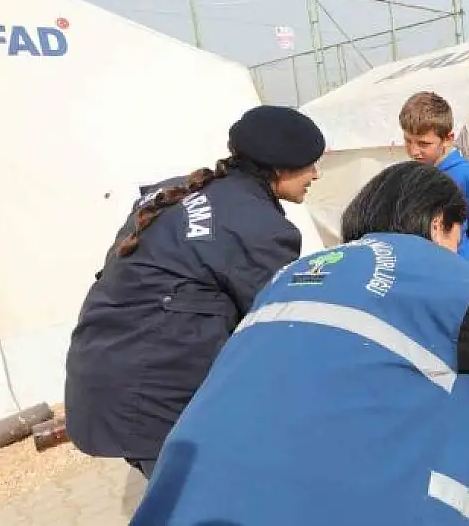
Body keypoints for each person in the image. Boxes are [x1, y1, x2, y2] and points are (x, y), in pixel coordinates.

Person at [128, 161, 469, 526]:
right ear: (439, 222)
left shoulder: (297, 272)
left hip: (186, 499)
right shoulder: (439, 277)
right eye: (457, 233)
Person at [64, 105, 326, 479]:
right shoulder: (256, 228)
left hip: (104, 365)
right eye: (309, 165)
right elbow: (280, 328)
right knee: (205, 499)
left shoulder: (179, 190)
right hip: (152, 391)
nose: (315, 175)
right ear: (278, 169)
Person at [399, 91, 469, 285]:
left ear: (448, 139)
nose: (414, 151)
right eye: (408, 141)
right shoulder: (411, 176)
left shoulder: (468, 176)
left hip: (463, 284)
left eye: (423, 144)